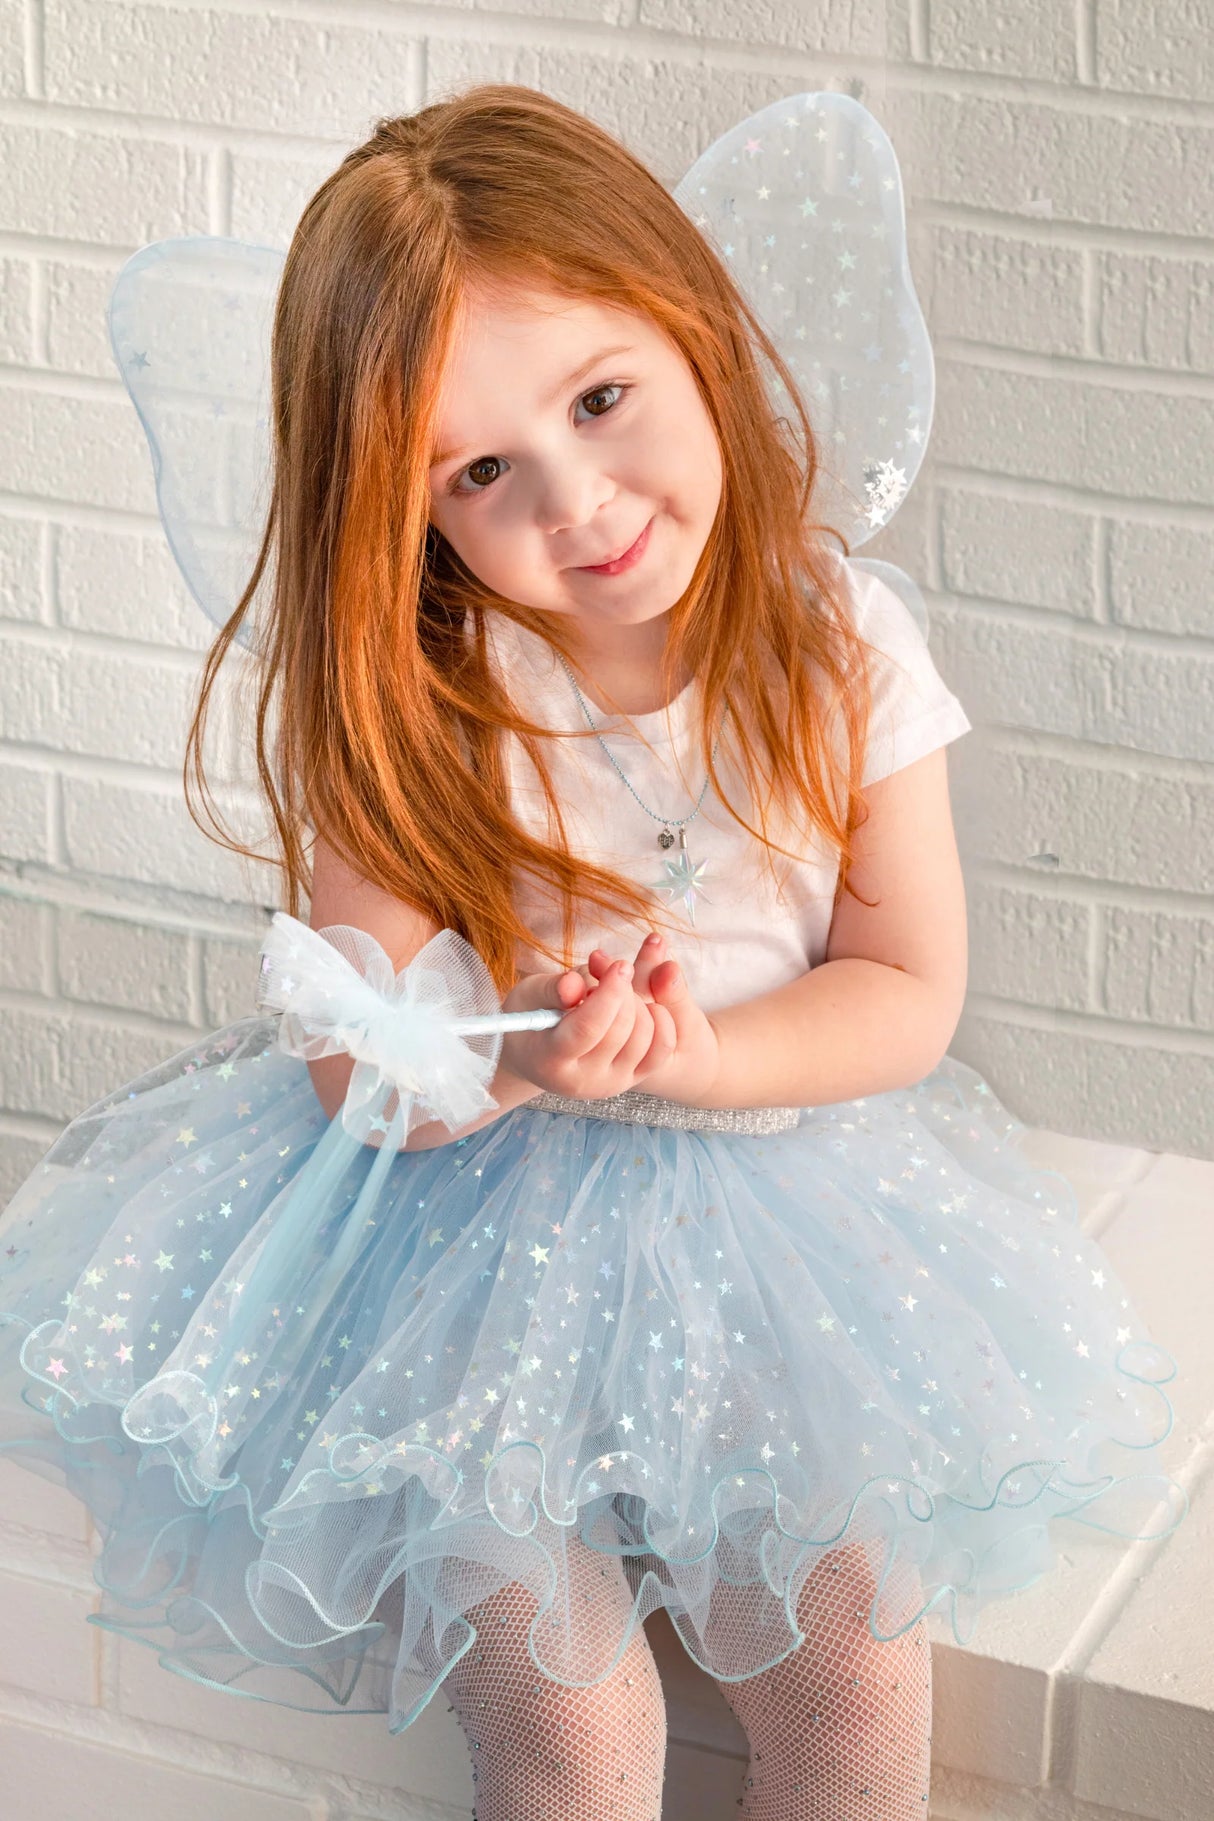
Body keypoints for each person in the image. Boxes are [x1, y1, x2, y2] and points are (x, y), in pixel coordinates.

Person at [0, 85, 1186, 1821]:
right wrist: (514, 1061)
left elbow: (903, 986)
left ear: (692, 328)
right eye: (480, 471)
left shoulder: (836, 642)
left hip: (787, 1204)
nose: (579, 501)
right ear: (404, 512)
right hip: (461, 1246)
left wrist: (700, 1059)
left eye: (601, 398)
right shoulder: (422, 698)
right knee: (567, 1717)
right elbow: (352, 1054)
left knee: (849, 1657)